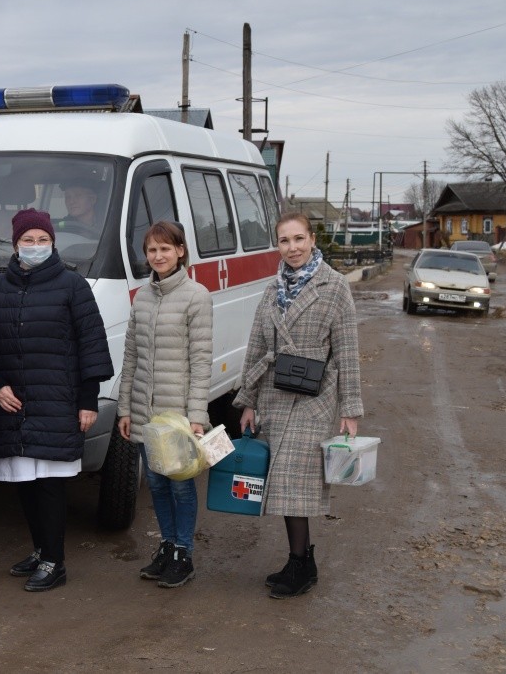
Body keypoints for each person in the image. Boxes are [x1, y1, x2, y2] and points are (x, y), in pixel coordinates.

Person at [0, 208, 114, 592]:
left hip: (58, 401)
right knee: (24, 481)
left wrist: (88, 400)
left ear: (53, 243)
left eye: (42, 240)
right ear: (15, 243)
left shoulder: (73, 285)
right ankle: (40, 551)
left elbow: (92, 345)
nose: (35, 246)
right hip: (13, 403)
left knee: (51, 483)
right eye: (28, 240)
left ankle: (56, 562)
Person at [234, 211, 363, 599]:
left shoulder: (335, 286)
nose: (292, 248)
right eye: (285, 241)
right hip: (276, 391)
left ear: (312, 239)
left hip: (315, 394)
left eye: (299, 239)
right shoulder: (271, 290)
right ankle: (302, 560)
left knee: (291, 476)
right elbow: (257, 345)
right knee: (287, 483)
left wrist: (350, 409)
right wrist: (248, 401)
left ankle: (299, 563)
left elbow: (348, 351)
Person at [117, 221, 213, 589]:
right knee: (156, 485)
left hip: (178, 417)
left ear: (181, 251)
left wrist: (197, 417)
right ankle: (168, 546)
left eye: (165, 249)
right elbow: (131, 356)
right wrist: (125, 408)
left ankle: (183, 553)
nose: (158, 256)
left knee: (180, 486)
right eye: (152, 250)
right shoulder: (141, 296)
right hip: (145, 411)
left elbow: (201, 361)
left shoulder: (196, 296)